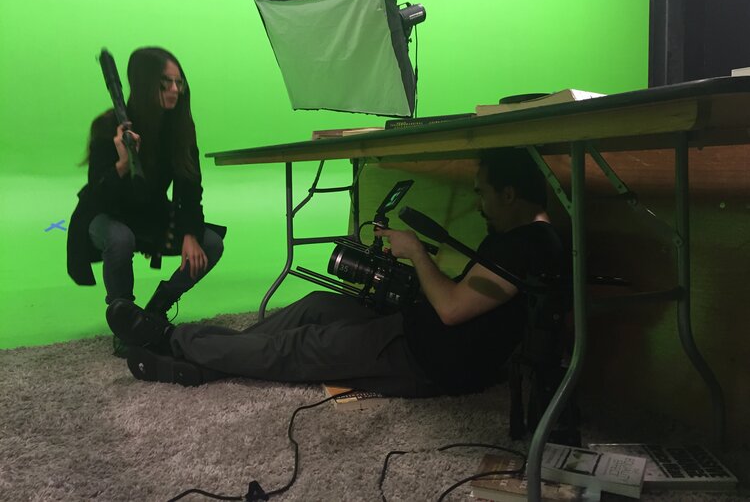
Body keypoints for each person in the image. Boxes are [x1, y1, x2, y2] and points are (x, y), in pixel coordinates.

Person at [107, 147, 562, 396]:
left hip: (424, 357)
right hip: (412, 328)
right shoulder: (521, 237)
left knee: (300, 347)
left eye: (482, 193)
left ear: (508, 194)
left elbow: (452, 309)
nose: (479, 204)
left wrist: (416, 254)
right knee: (317, 305)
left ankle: (170, 339)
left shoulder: (527, 247)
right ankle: (200, 364)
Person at [67, 47, 226, 356]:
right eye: (165, 83)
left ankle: (155, 310)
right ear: (145, 83)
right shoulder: (107, 126)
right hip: (104, 216)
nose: (175, 89)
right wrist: (122, 163)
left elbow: (190, 188)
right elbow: (97, 196)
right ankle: (124, 319)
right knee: (119, 238)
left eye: (179, 82)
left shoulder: (179, 127)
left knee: (211, 244)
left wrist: (190, 234)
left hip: (151, 216)